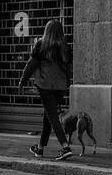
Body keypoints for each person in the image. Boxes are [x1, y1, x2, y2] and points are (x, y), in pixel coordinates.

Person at [19, 18, 74, 160]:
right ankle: (40, 148)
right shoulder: (65, 48)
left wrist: (22, 82)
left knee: (52, 116)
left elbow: (30, 66)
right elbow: (69, 70)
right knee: (48, 116)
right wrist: (67, 83)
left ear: (47, 31)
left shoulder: (41, 46)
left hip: (45, 86)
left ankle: (65, 146)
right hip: (60, 87)